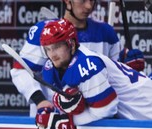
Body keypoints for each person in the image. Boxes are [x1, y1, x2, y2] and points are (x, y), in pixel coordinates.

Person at [10, 0, 144, 115]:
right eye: (83, 1)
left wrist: (129, 67)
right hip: (52, 119)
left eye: (92, 0)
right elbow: (21, 71)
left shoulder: (106, 32)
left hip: (94, 119)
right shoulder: (44, 32)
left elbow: (116, 76)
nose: (88, 6)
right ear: (67, 1)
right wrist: (40, 100)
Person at [36, 19, 152, 129]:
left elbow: (106, 109)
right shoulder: (51, 68)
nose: (52, 54)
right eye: (48, 49)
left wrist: (67, 122)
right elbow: (70, 101)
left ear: (71, 44)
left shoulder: (87, 65)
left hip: (146, 109)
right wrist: (54, 109)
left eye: (57, 47)